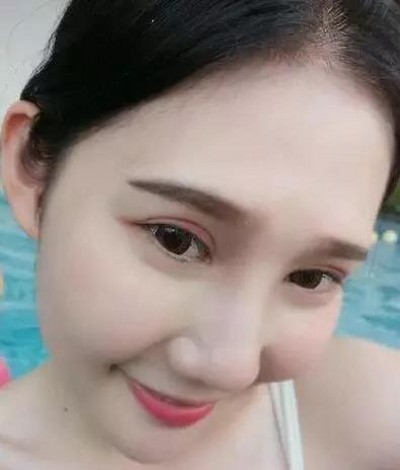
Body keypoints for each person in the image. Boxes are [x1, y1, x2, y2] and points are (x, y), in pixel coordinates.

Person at [0, 0, 400, 468]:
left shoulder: (371, 423)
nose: (230, 366)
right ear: (32, 168)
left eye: (312, 277)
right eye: (175, 239)